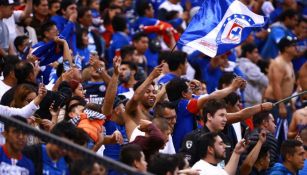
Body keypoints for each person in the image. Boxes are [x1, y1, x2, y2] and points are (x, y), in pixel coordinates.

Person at [264, 36, 298, 143]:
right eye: (293, 46)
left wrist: (291, 102)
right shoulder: (279, 63)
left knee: (285, 134)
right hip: (276, 103)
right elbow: (276, 84)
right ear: (286, 48)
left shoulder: (289, 62)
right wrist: (281, 105)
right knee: (276, 135)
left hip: (284, 102)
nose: (296, 47)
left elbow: (288, 84)